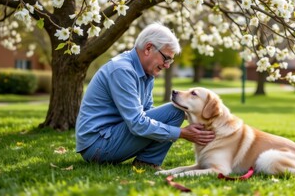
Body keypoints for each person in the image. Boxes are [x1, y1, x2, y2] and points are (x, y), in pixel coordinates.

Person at [75, 22, 215, 169]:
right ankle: (148, 161)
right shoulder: (122, 70)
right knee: (175, 112)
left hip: (109, 138)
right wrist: (181, 133)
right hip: (97, 146)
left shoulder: (146, 73)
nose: (167, 65)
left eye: (170, 61)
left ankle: (146, 162)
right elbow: (137, 123)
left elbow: (149, 113)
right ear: (148, 48)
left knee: (174, 112)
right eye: (166, 58)